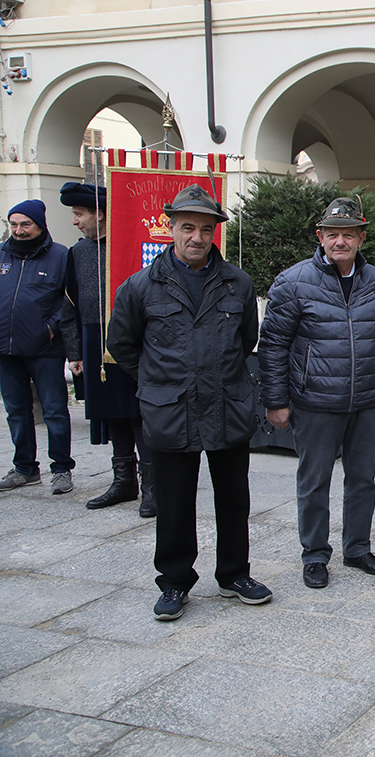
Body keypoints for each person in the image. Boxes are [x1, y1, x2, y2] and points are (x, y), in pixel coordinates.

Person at [107, 184, 272, 621]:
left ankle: (235, 574)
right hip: (170, 410)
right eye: (187, 228)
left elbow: (246, 340)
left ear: (215, 232)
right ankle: (175, 581)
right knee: (174, 501)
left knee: (233, 497)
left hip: (226, 405)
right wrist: (158, 382)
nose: (196, 237)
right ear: (171, 228)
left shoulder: (237, 283)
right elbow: (123, 345)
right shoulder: (140, 286)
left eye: (204, 229)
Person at [259, 197, 375, 590]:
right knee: (314, 481)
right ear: (320, 237)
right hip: (315, 401)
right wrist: (276, 401)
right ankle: (315, 555)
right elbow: (273, 346)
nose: (340, 241)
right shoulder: (293, 281)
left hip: (366, 401)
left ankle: (357, 548)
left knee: (363, 480)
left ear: (361, 238)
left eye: (348, 234)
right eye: (332, 234)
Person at [59, 182, 154, 515]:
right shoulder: (78, 252)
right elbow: (68, 305)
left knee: (138, 413)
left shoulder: (126, 245)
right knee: (113, 414)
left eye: (79, 214)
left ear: (99, 214)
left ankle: (152, 488)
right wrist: (75, 352)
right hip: (93, 339)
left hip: (131, 340)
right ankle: (124, 482)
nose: (75, 221)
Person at [0, 199, 74, 495]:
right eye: (13, 224)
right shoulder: (2, 254)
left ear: (40, 225)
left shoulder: (60, 256)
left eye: (25, 224)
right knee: (16, 411)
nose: (18, 230)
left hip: (45, 348)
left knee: (55, 409)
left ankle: (61, 469)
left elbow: (68, 301)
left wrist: (50, 328)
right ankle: (25, 468)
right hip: (5, 348)